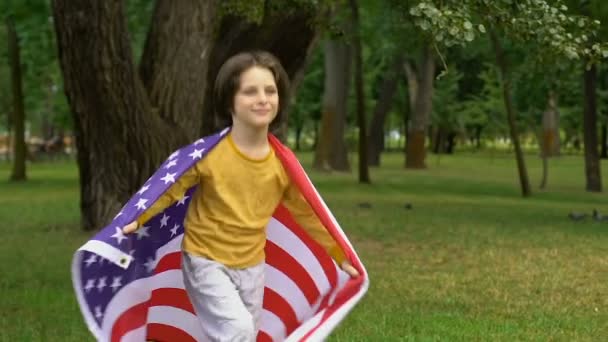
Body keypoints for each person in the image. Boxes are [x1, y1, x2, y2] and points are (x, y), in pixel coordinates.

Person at [121, 50, 359, 341]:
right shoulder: (209, 154)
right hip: (205, 260)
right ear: (229, 101)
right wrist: (139, 215)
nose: (262, 99)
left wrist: (337, 252)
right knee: (238, 332)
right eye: (250, 92)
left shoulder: (281, 164)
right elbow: (170, 187)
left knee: (236, 334)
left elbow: (306, 212)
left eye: (270, 91)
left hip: (252, 266)